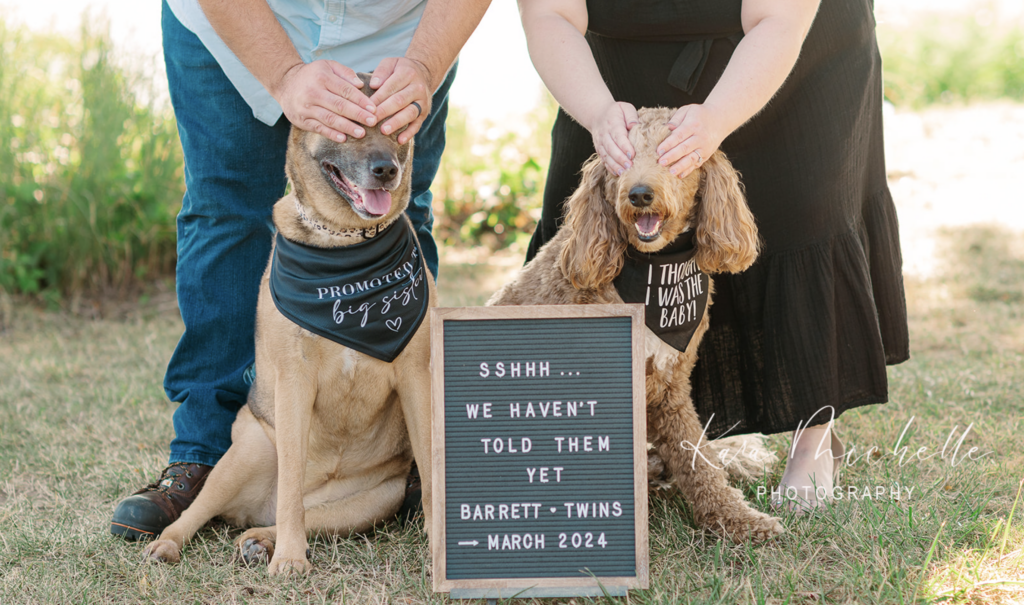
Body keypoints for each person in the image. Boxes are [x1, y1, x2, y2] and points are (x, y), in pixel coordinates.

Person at [111, 0, 491, 540]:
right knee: (225, 211)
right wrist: (285, 75)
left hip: (399, 35)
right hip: (240, 22)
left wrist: (426, 67)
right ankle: (206, 456)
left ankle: (404, 464)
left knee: (400, 213)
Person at [519, 0, 909, 510]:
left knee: (803, 212)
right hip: (620, 57)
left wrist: (717, 118)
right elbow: (549, 13)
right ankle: (613, 433)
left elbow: (777, 18)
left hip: (789, 47)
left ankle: (813, 440)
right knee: (591, 233)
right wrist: (598, 114)